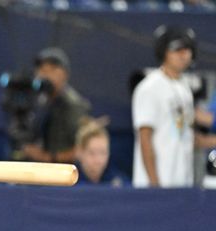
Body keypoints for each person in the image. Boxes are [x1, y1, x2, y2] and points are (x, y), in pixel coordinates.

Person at [132, 25, 213, 188]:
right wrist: (154, 185)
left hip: (181, 183)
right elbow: (145, 139)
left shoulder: (184, 89)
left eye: (187, 50)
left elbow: (185, 136)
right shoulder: (149, 87)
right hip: (156, 186)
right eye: (177, 50)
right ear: (164, 52)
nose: (183, 55)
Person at [22, 47, 90, 164]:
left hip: (64, 174)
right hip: (41, 173)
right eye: (41, 70)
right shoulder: (40, 101)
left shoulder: (73, 105)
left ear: (64, 74)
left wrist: (46, 157)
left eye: (51, 70)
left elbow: (83, 148)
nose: (44, 75)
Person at [74, 120, 127, 186]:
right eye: (92, 153)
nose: (98, 160)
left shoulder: (119, 182)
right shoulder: (70, 183)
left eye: (103, 153)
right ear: (79, 153)